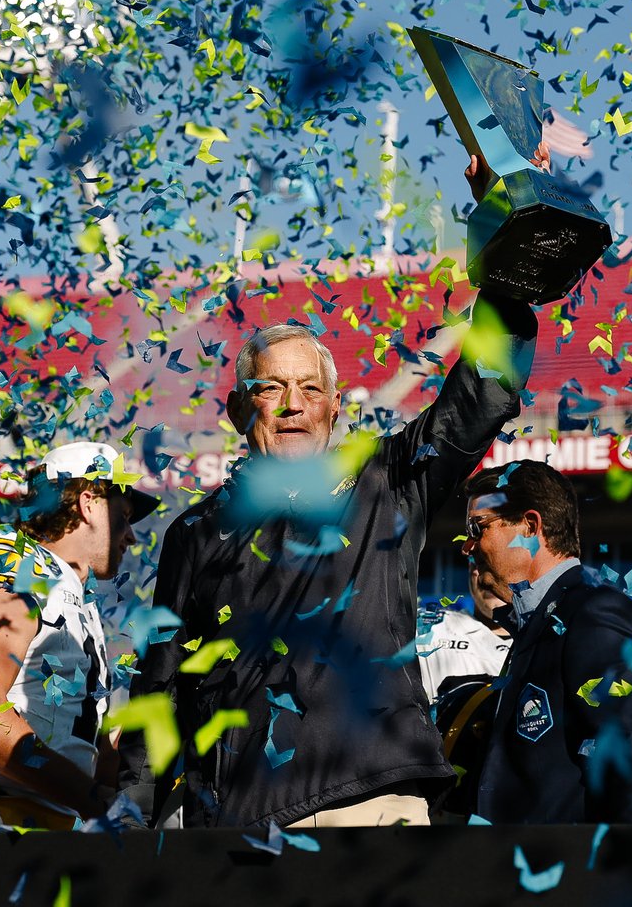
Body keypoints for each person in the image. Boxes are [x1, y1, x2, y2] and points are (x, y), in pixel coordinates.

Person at [119, 150, 544, 829]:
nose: (292, 406)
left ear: (334, 410)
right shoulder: (195, 534)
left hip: (371, 802)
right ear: (237, 412)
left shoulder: (386, 479)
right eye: (271, 389)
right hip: (240, 822)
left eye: (310, 389)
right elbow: (160, 685)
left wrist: (505, 239)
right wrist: (133, 815)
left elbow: (484, 390)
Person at [0, 441, 158, 831]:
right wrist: (91, 803)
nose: (131, 537)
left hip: (44, 820)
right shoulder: (14, 560)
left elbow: (67, 739)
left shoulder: (68, 590)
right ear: (90, 503)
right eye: (125, 516)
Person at [467, 460, 632, 824]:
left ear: (530, 527)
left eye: (478, 528)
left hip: (578, 873)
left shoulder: (593, 615)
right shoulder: (537, 623)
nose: (468, 546)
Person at [416, 565, 512, 702]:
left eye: (498, 559)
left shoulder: (548, 643)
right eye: (479, 561)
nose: (487, 575)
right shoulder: (429, 627)